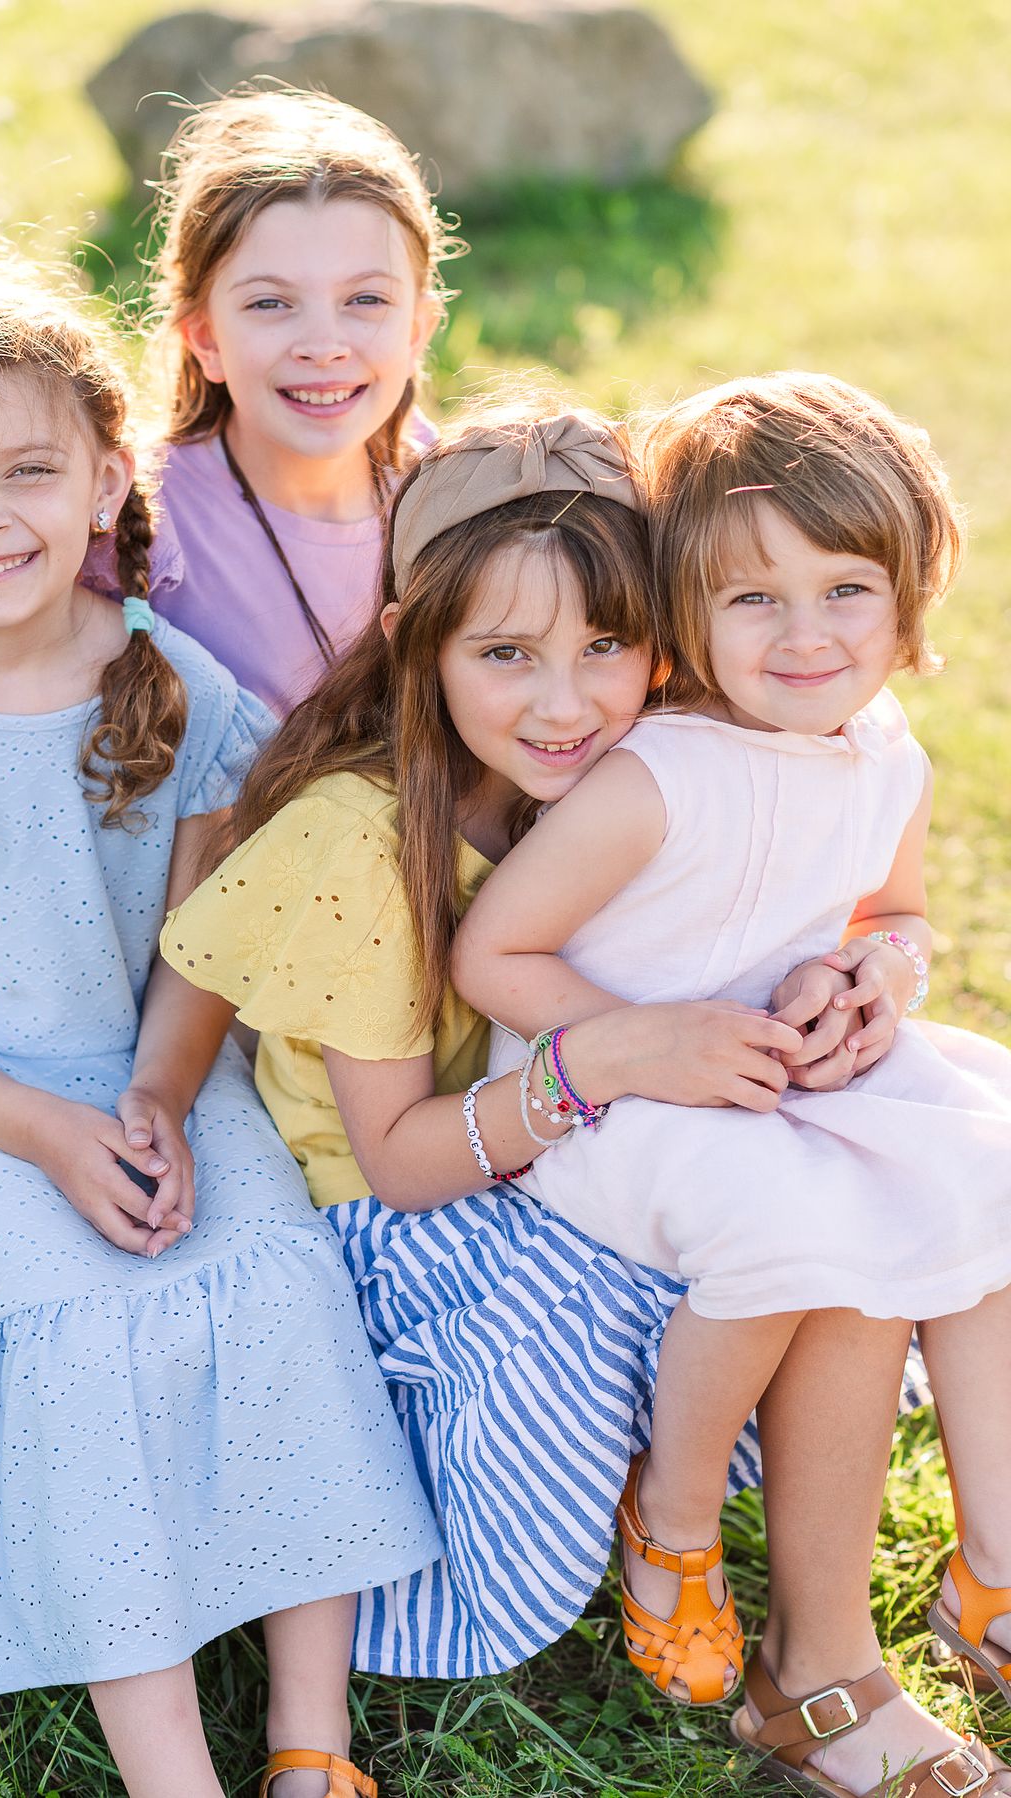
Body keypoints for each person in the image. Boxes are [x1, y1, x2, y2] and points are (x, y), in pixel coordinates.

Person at [163, 408, 992, 1798]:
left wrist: (872, 971)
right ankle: (756, 1610)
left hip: (610, 1142)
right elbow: (407, 1164)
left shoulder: (645, 758)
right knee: (798, 1227)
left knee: (848, 1200)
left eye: (605, 646)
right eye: (504, 654)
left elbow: (848, 886)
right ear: (416, 642)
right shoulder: (366, 841)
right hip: (415, 1231)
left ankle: (828, 1657)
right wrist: (603, 1060)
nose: (565, 699)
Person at [0, 255, 442, 1798]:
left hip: (149, 1065)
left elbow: (197, 950)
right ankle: (176, 1775)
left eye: (30, 471)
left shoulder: (169, 681)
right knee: (77, 1331)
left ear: (107, 475)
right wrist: (50, 1135)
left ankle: (312, 1742)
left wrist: (156, 1098)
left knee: (279, 1280)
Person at [451, 378, 1011, 1791]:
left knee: (988, 1160)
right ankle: (675, 1514)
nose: (808, 634)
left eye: (846, 588)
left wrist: (875, 984)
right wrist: (650, 1043)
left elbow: (892, 917)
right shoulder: (657, 778)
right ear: (682, 613)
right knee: (790, 1225)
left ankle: (995, 1558)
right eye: (753, 598)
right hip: (613, 1103)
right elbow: (492, 952)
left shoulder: (884, 754)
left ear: (913, 593)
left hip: (775, 1074)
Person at [82, 85, 454, 716]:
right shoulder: (132, 526)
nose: (323, 345)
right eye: (270, 303)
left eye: (366, 299)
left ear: (417, 330)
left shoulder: (463, 493)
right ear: (206, 339)